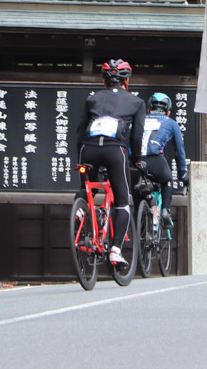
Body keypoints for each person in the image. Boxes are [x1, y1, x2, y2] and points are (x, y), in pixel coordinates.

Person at [77, 59, 147, 269]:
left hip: (87, 149)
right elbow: (137, 136)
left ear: (105, 81)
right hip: (115, 150)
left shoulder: (92, 99)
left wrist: (79, 159)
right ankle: (116, 252)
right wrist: (137, 160)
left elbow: (80, 131)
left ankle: (79, 215)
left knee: (85, 187)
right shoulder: (136, 102)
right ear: (126, 81)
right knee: (122, 201)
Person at [135, 92, 188, 224]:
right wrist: (183, 174)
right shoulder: (171, 123)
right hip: (154, 160)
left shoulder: (139, 120)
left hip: (135, 162)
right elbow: (179, 151)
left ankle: (139, 217)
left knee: (137, 193)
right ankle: (165, 210)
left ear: (148, 110)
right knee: (167, 180)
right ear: (168, 112)